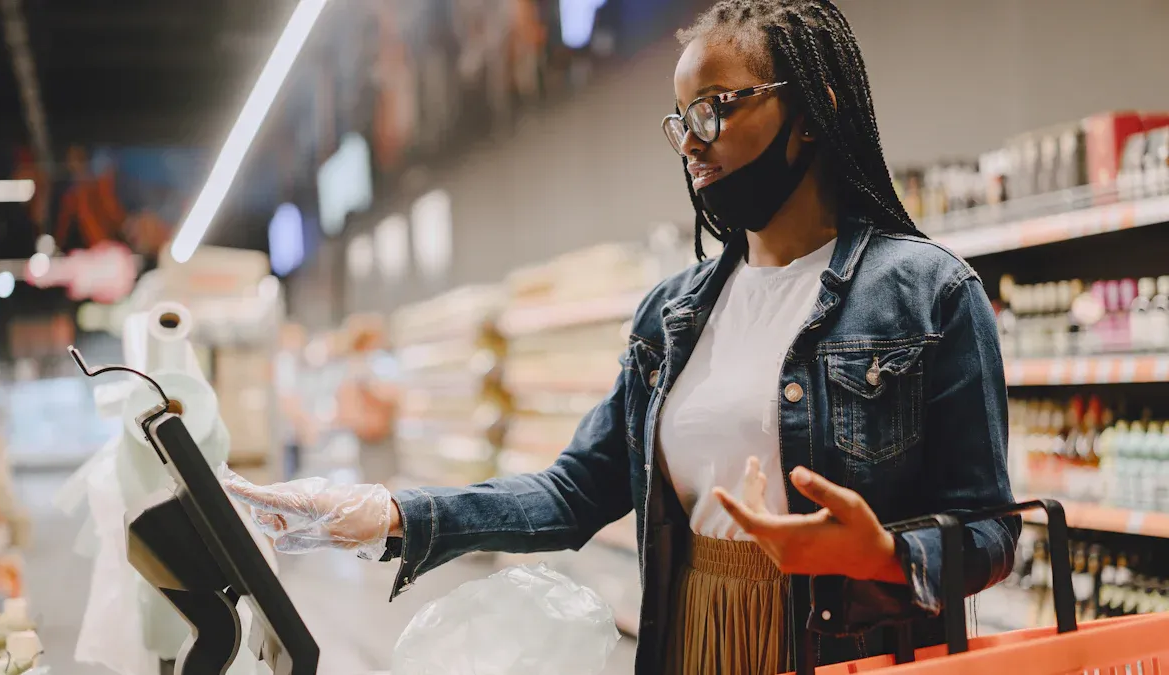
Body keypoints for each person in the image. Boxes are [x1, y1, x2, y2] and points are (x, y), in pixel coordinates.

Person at [225, 1, 1017, 673]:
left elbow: (991, 531)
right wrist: (391, 511)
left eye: (715, 108)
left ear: (812, 112)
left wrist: (878, 555)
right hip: (692, 631)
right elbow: (574, 491)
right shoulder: (671, 318)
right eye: (681, 120)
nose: (692, 143)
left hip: (850, 644)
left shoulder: (930, 294)